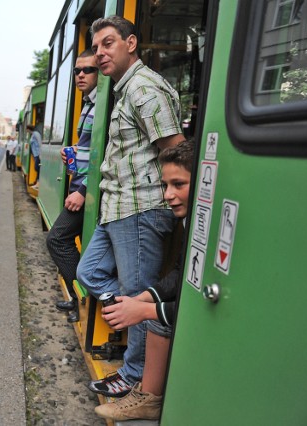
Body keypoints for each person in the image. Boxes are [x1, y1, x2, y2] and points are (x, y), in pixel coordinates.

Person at [77, 15, 185, 398]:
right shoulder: (126, 91)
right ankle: (130, 312)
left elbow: (174, 146)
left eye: (108, 43)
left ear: (131, 43)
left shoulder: (143, 89)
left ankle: (135, 373)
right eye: (97, 47)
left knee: (137, 291)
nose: (101, 53)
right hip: (117, 208)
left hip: (140, 209)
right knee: (88, 272)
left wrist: (176, 196)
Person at [94, 139, 194, 421]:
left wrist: (145, 311)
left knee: (155, 319)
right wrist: (142, 299)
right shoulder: (191, 219)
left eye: (178, 184)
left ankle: (149, 399)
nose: (168, 195)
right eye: (165, 185)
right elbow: (179, 272)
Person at [46, 49, 99, 323]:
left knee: (57, 239)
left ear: (100, 72)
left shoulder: (103, 105)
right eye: (77, 70)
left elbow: (106, 153)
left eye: (88, 70)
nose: (80, 74)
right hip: (80, 186)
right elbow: (91, 148)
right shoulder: (89, 104)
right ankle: (77, 300)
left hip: (86, 191)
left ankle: (83, 299)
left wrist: (82, 189)